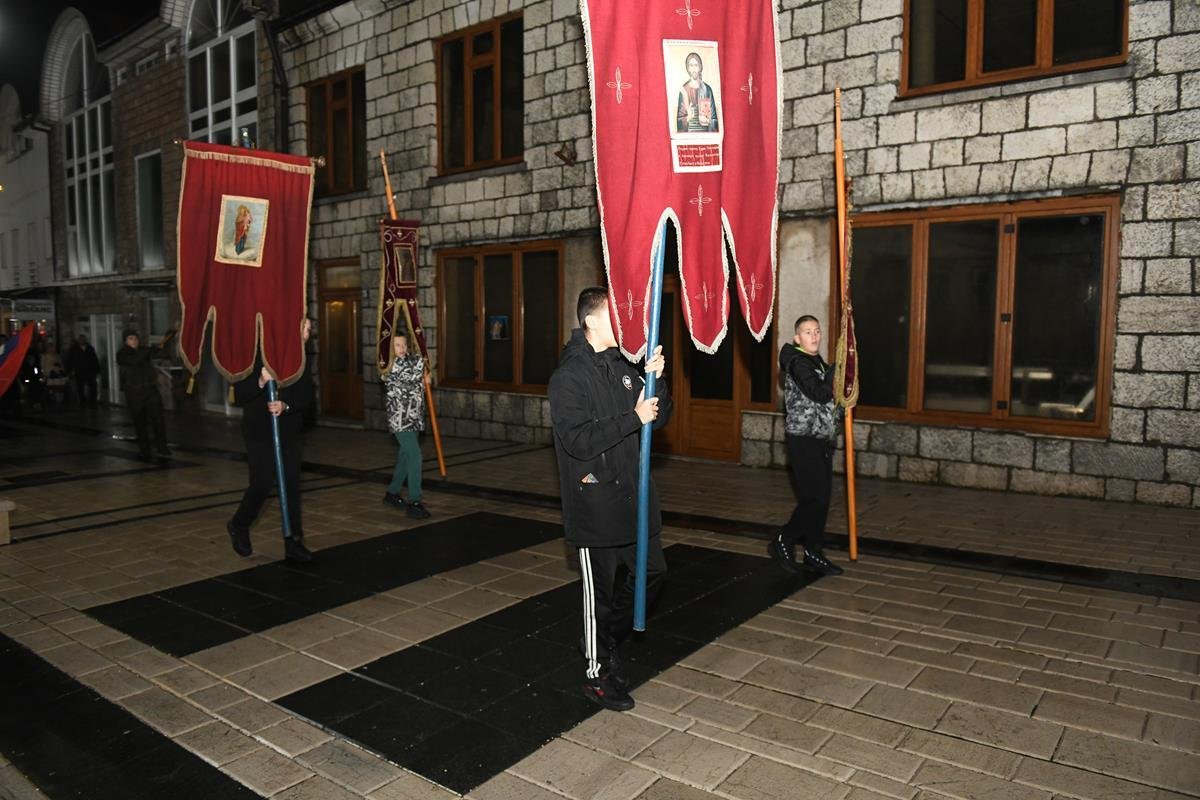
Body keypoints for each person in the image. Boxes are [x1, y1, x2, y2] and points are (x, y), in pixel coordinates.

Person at [548, 286, 671, 712]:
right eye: (614, 314)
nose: (624, 321)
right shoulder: (569, 376)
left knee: (653, 573)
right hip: (595, 502)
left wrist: (656, 380)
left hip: (634, 497)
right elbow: (578, 440)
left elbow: (658, 416)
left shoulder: (624, 365)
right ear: (591, 321)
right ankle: (596, 674)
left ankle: (606, 639)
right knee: (598, 594)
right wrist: (632, 417)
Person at [227, 317, 315, 564]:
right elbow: (238, 395)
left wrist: (286, 405)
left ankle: (293, 541)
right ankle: (239, 524)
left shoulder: (301, 361)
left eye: (309, 330)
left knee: (291, 486)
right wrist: (260, 381)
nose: (306, 334)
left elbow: (307, 397)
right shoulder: (257, 356)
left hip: (288, 431)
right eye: (303, 328)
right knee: (262, 483)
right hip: (259, 431)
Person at [768, 315, 845, 577]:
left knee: (822, 500)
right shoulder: (798, 362)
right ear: (797, 338)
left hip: (821, 438)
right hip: (803, 439)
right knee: (814, 499)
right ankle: (784, 539)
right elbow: (819, 393)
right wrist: (835, 371)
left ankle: (813, 551)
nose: (814, 336)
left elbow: (829, 400)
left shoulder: (818, 363)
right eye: (808, 332)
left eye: (817, 331)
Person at [381, 332, 430, 519]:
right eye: (397, 345)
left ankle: (392, 493)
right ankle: (415, 501)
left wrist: (426, 373)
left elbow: (419, 365)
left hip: (414, 416)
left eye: (404, 345)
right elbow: (409, 374)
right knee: (415, 455)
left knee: (405, 456)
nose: (402, 349)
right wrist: (424, 373)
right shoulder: (388, 366)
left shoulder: (412, 361)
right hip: (400, 419)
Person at [116, 329, 173, 459]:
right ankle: (144, 449)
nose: (134, 341)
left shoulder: (144, 350)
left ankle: (162, 446)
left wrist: (169, 337)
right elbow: (135, 361)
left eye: (136, 338)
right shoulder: (122, 354)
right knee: (140, 422)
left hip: (150, 390)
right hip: (134, 393)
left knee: (158, 419)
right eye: (131, 338)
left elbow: (162, 353)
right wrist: (150, 350)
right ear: (125, 341)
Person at [676, 52, 719, 133]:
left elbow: (715, 120)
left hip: (705, 135)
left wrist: (708, 121)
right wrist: (688, 118)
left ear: (700, 67)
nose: (694, 69)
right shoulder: (684, 90)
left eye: (696, 65)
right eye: (691, 65)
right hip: (689, 136)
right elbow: (679, 122)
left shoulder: (707, 90)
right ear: (688, 68)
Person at [65, 334, 101, 408]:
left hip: (89, 370)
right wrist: (70, 370)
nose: (82, 341)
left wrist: (97, 370)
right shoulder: (74, 349)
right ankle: (83, 401)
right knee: (80, 387)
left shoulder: (90, 348)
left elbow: (94, 359)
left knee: (93, 386)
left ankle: (92, 401)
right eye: (80, 339)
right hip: (79, 371)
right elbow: (69, 360)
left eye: (83, 339)